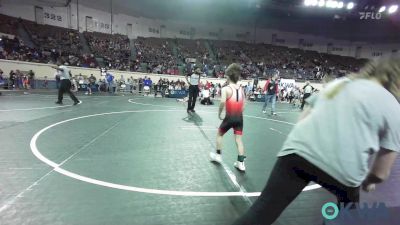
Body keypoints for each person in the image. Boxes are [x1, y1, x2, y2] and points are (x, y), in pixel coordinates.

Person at [232, 57, 400, 225]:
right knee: (346, 217)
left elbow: (303, 118)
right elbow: (380, 173)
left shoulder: (341, 83)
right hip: (344, 172)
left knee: (261, 212)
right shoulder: (393, 106)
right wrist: (369, 181)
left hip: (297, 153)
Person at [210, 63, 247, 172]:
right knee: (239, 140)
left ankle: (218, 155)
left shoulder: (226, 89)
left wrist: (219, 113)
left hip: (229, 118)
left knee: (219, 134)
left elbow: (222, 102)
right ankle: (241, 163)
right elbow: (245, 103)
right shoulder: (241, 89)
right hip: (239, 118)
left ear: (228, 76)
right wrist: (239, 113)